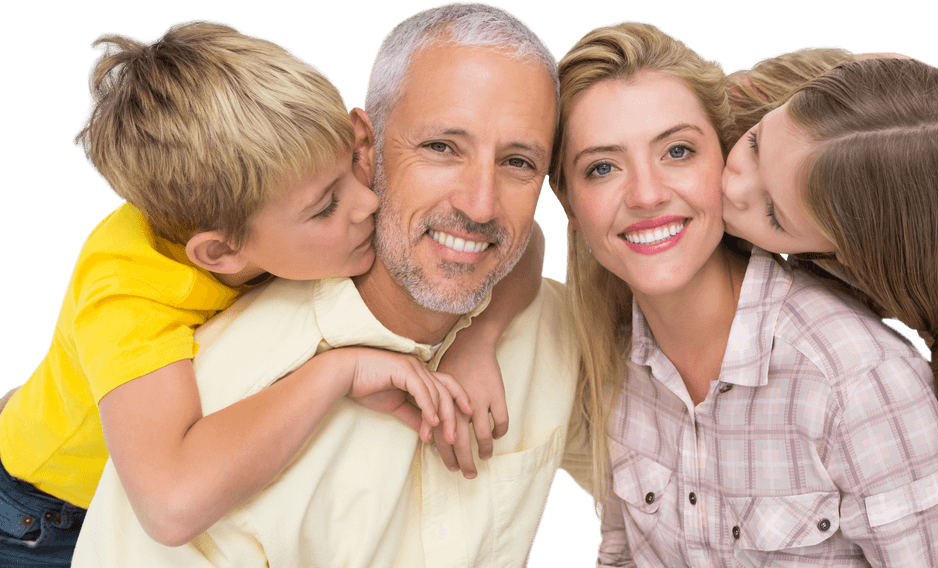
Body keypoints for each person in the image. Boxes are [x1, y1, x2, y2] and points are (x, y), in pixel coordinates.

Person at [0, 18, 536, 566]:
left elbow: (510, 232)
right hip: (45, 513)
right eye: (326, 206)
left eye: (355, 160)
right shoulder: (126, 295)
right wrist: (338, 371)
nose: (366, 204)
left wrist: (479, 341)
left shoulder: (295, 175)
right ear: (222, 253)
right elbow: (168, 506)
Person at [550, 21, 938, 566]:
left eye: (677, 151)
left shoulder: (856, 380)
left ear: (724, 162)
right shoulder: (609, 361)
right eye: (602, 168)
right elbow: (622, 554)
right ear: (569, 205)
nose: (647, 194)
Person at [721, 49, 938, 568]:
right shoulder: (765, 103)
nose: (731, 186)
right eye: (751, 148)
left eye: (773, 213)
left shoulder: (937, 257)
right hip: (893, 117)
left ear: (834, 256)